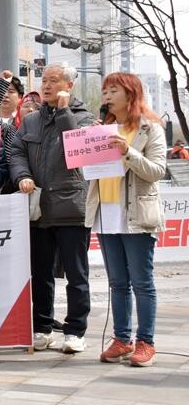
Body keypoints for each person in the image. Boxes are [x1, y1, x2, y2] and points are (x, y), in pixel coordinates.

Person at [10, 63, 96, 353]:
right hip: (39, 208)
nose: (46, 86)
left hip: (71, 206)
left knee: (76, 273)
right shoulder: (31, 120)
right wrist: (22, 175)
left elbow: (77, 150)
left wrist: (62, 112)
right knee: (40, 272)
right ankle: (42, 327)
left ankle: (75, 331)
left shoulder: (85, 118)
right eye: (44, 80)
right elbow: (16, 151)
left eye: (54, 81)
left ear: (69, 85)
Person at [89, 73, 166, 367]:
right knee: (117, 283)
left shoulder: (150, 128)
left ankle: (146, 341)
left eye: (113, 91)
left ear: (130, 94)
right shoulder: (103, 128)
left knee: (142, 282)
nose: (106, 96)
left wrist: (127, 151)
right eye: (104, 91)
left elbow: (157, 170)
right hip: (105, 213)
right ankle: (122, 340)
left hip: (135, 214)